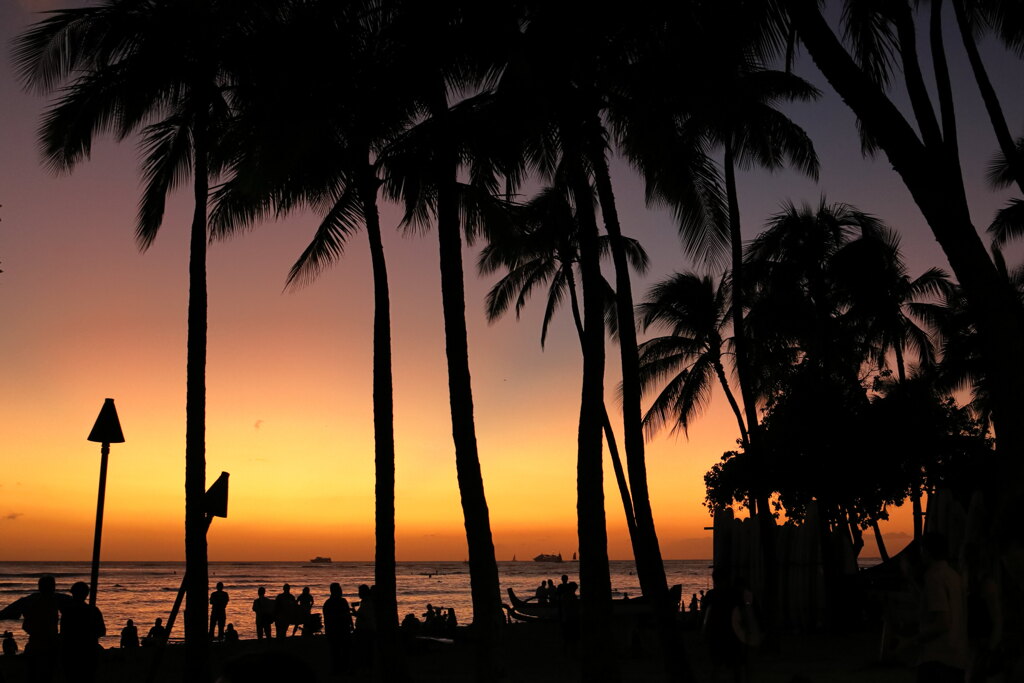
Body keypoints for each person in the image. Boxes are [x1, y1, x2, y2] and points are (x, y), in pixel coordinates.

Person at [913, 533, 969, 682]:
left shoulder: (934, 577)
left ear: (926, 551)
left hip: (937, 658)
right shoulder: (953, 576)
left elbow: (943, 622)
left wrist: (914, 639)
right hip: (957, 656)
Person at [0, 574, 71, 683]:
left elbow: (6, 613)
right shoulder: (58, 599)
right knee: (48, 675)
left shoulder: (29, 600)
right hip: (50, 643)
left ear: (39, 587)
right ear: (53, 587)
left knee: (35, 674)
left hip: (38, 643)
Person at [59, 581, 105, 683]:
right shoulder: (93, 610)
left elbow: (63, 633)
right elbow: (102, 631)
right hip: (87, 651)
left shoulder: (67, 611)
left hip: (71, 651)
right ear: (86, 594)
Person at [322, 583, 352, 674]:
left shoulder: (340, 601)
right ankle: (338, 669)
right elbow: (329, 618)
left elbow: (348, 615)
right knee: (336, 651)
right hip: (335, 630)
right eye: (339, 589)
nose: (341, 591)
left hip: (342, 630)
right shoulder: (330, 603)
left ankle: (342, 669)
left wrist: (351, 625)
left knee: (343, 651)